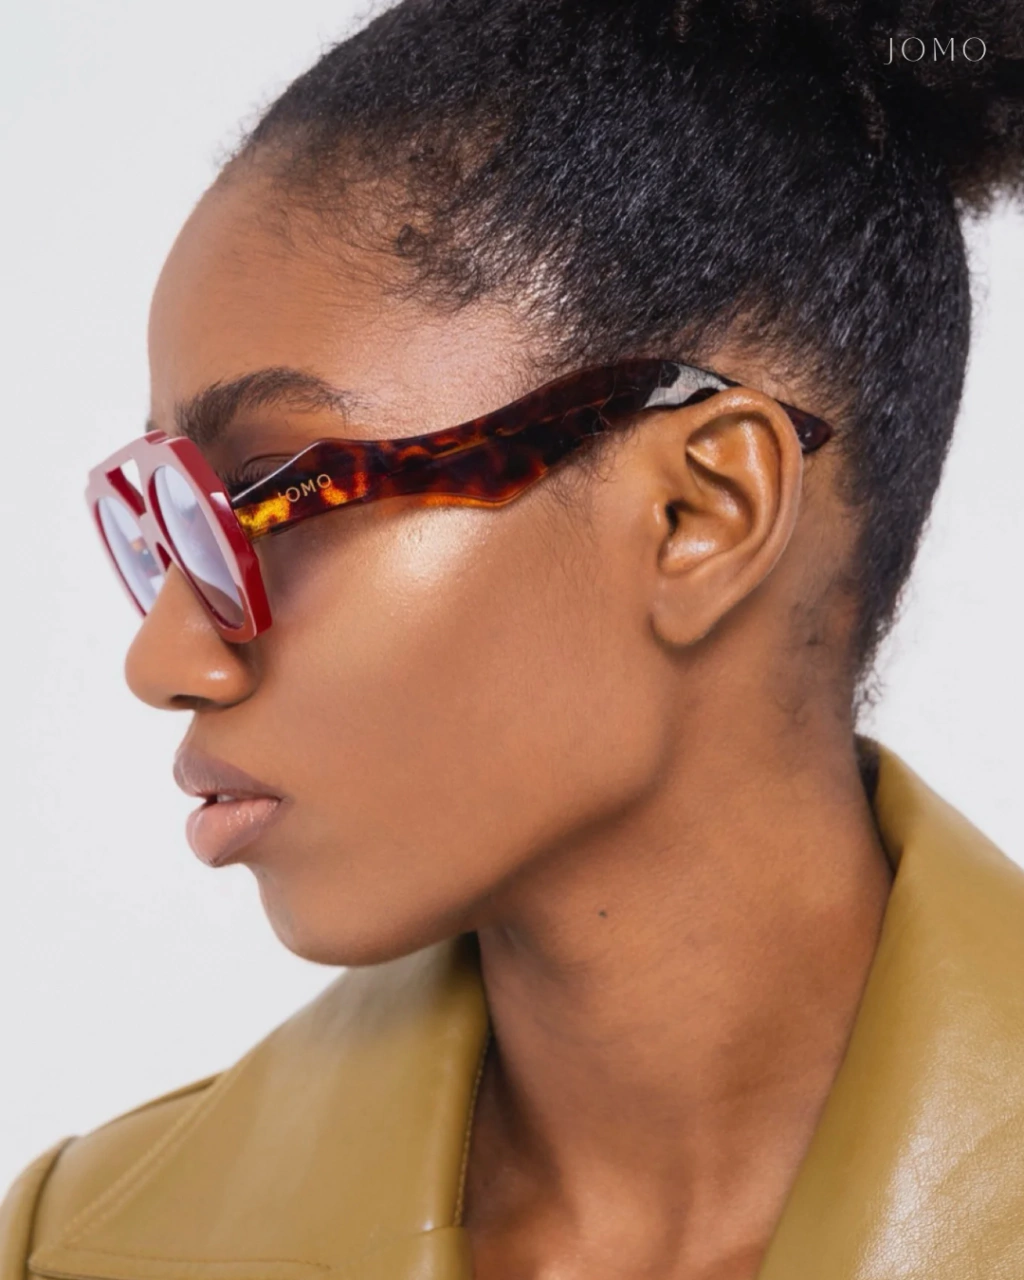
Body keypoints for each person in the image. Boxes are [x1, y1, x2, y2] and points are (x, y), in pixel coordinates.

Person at [3, 2, 1023, 1277]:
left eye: (277, 494)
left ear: (698, 511)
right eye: (165, 519)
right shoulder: (81, 1244)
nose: (166, 660)